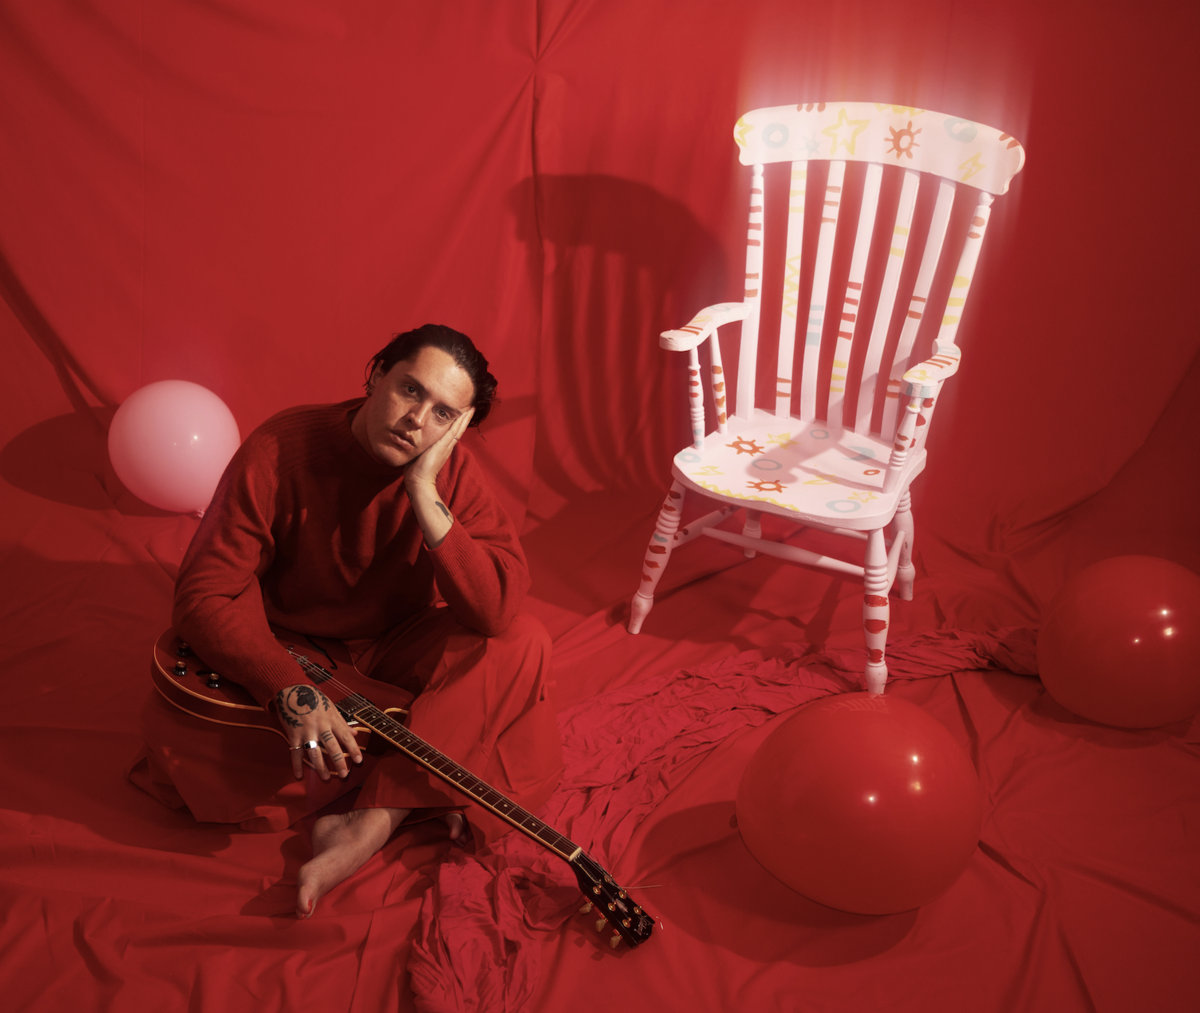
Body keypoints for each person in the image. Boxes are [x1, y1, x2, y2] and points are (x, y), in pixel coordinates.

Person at [130, 324, 562, 918]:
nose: (417, 420)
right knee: (186, 740)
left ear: (458, 428)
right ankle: (427, 771)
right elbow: (205, 593)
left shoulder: (448, 473)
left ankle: (374, 818)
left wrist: (422, 488)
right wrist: (284, 686)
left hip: (391, 651)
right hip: (294, 649)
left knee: (522, 644)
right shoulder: (281, 445)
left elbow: (496, 609)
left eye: (443, 414)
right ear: (377, 375)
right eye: (410, 390)